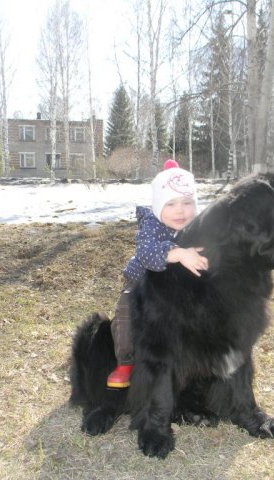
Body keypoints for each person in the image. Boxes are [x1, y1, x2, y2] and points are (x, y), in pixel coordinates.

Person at [108, 159, 208, 388]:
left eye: (187, 202)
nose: (180, 210)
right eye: (171, 204)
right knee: (126, 313)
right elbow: (146, 252)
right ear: (157, 205)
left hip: (174, 289)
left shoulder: (197, 228)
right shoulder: (151, 224)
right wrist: (178, 253)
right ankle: (125, 363)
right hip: (140, 283)